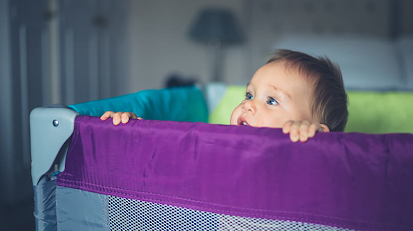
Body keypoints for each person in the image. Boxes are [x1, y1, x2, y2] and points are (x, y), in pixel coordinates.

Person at [101, 49, 349, 142]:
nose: (248, 105)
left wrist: (314, 144)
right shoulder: (220, 145)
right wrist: (134, 129)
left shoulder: (308, 161)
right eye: (249, 94)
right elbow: (175, 148)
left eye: (271, 100)